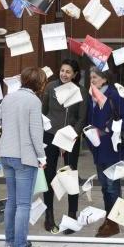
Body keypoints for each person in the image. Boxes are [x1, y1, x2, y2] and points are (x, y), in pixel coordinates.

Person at [0, 67, 47, 247]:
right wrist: (42, 157)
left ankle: (10, 242)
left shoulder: (9, 97)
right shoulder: (34, 101)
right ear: (40, 83)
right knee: (24, 204)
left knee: (12, 201)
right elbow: (35, 134)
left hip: (6, 153)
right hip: (24, 156)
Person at [84, 67, 124, 238]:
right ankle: (109, 219)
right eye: (90, 77)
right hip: (98, 148)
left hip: (112, 148)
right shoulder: (92, 97)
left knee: (113, 187)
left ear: (104, 79)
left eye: (95, 77)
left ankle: (114, 223)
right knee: (105, 187)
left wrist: (109, 127)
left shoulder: (114, 96)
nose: (92, 80)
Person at [41, 59, 87, 234]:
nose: (64, 74)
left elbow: (82, 118)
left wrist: (68, 138)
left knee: (70, 175)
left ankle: (72, 215)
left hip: (70, 139)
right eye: (62, 71)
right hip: (50, 136)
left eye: (68, 72)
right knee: (49, 175)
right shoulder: (50, 87)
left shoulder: (80, 91)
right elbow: (43, 112)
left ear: (75, 74)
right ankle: (49, 215)